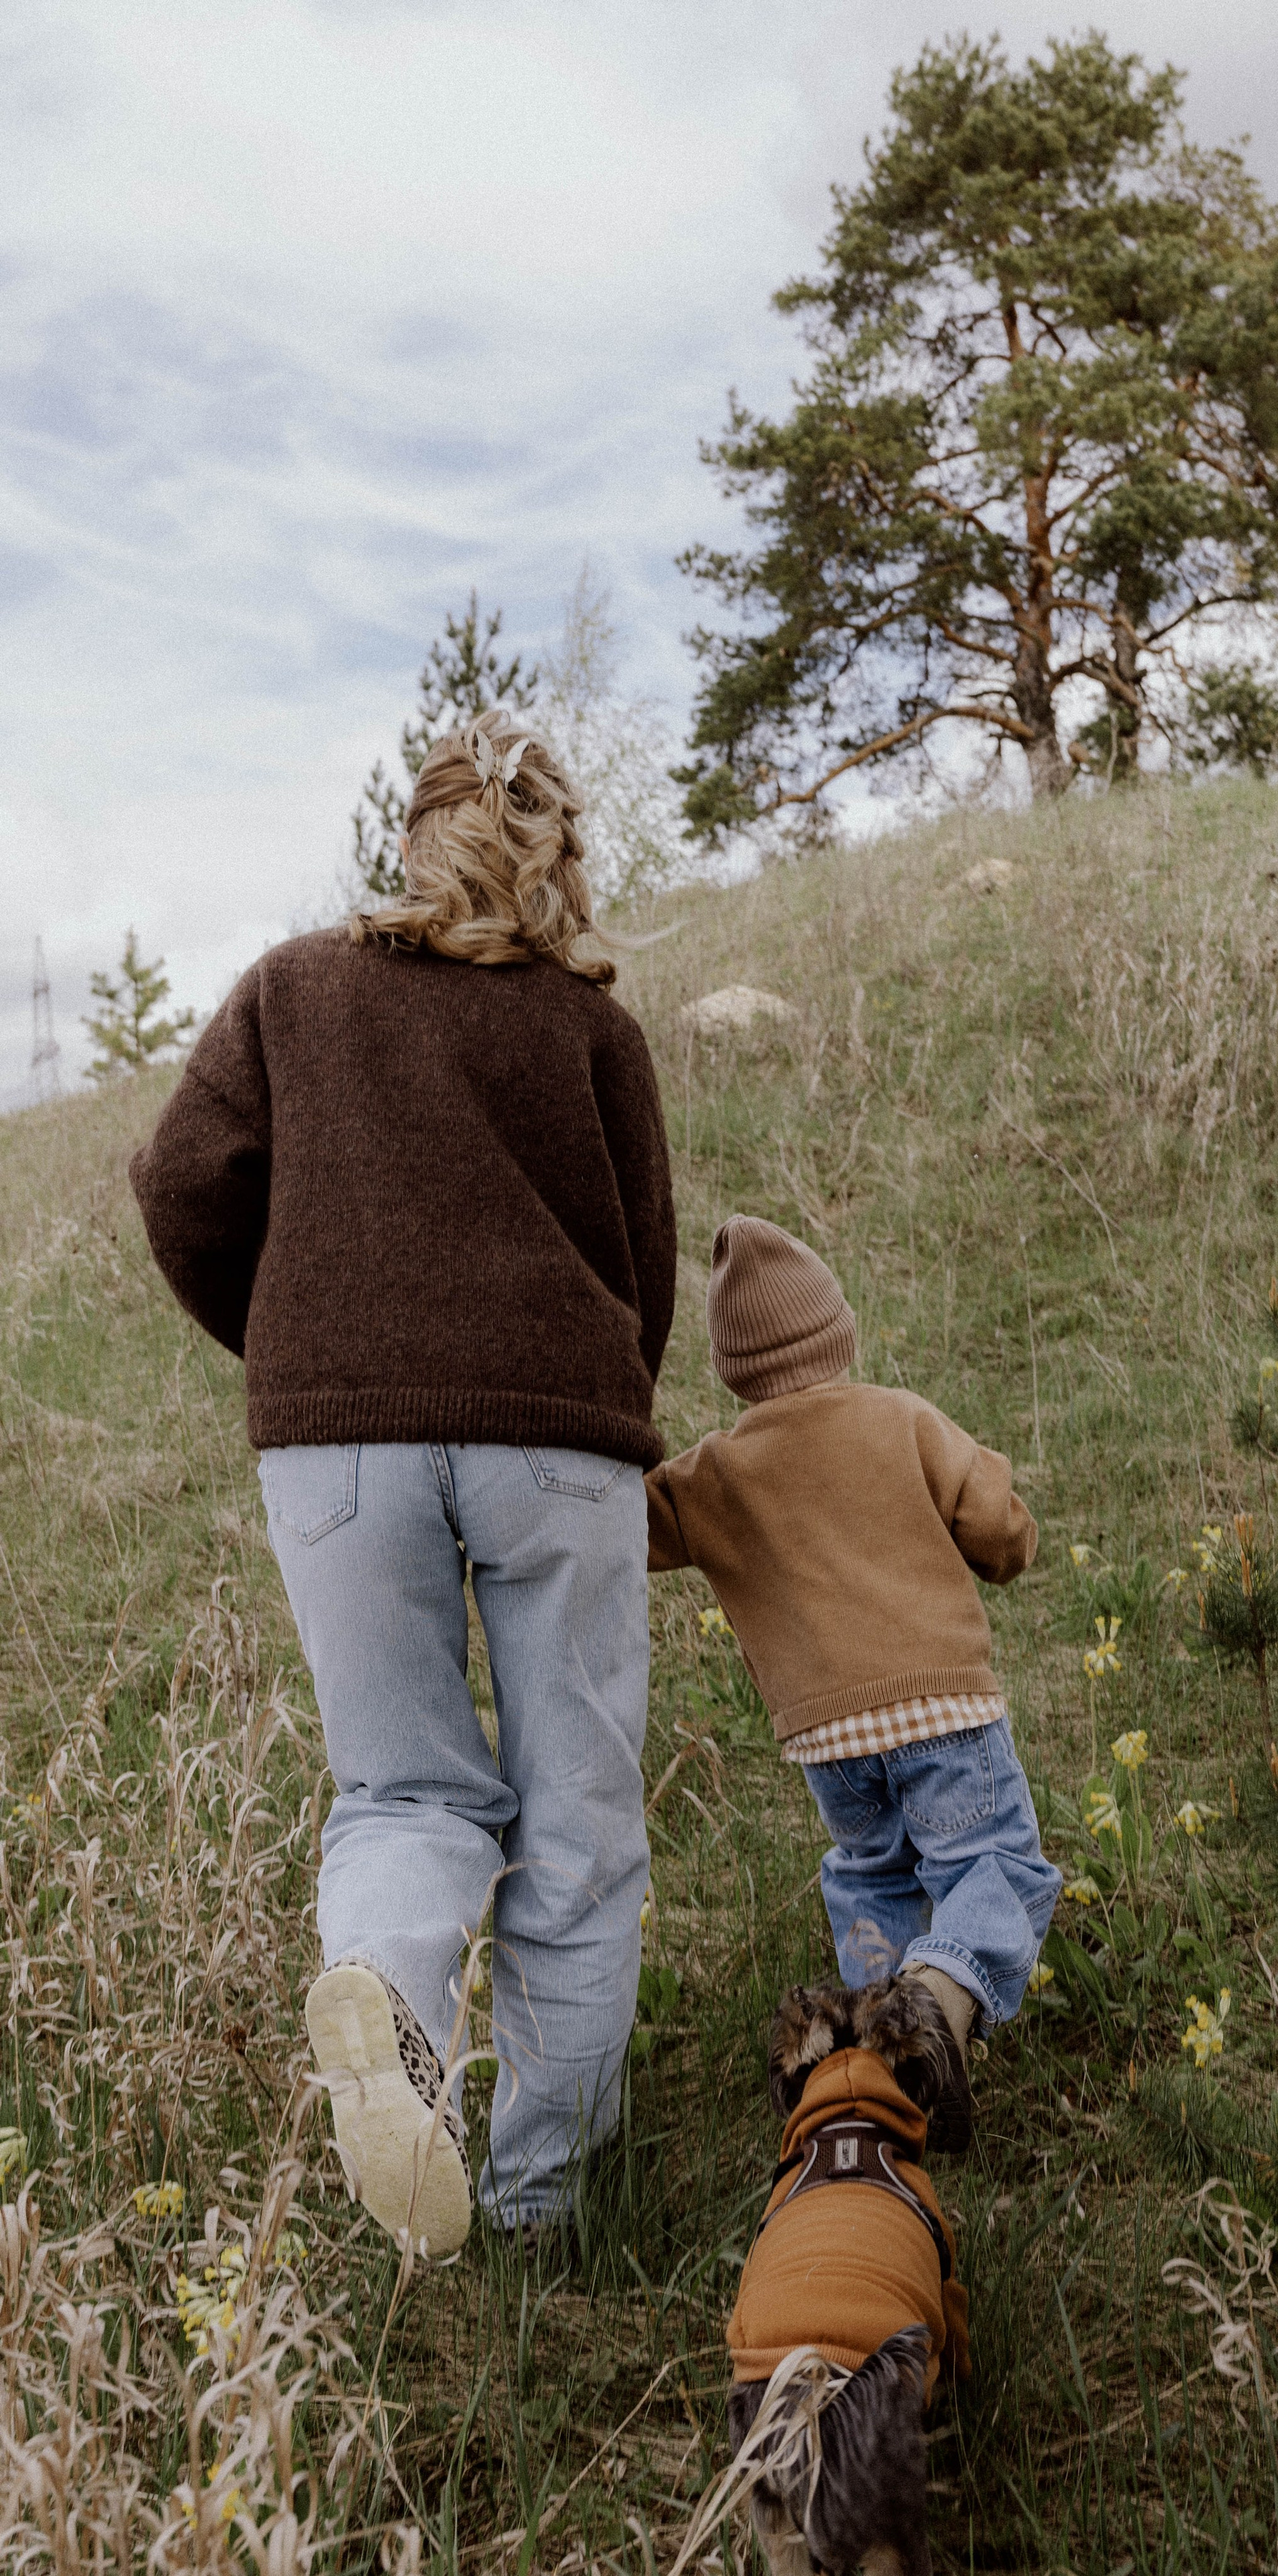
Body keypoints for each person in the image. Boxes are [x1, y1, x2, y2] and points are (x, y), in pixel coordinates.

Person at [131, 710, 676, 2255]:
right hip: (555, 1438)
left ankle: (386, 1994)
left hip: (334, 1446)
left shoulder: (294, 990)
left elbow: (177, 1181)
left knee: (402, 1789)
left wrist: (303, 1349)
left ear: (413, 835)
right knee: (575, 1815)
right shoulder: (591, 1031)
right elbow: (639, 1260)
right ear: (557, 853)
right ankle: (541, 2205)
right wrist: (603, 1395)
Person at [645, 1216, 1060, 2137]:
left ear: (731, 1369)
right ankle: (936, 2007)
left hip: (827, 1738)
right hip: (942, 1702)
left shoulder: (715, 1472)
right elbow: (996, 1523)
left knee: (875, 1872)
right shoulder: (900, 1418)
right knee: (994, 1862)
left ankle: (864, 2058)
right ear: (839, 1332)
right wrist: (1011, 1551)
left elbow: (633, 1522)